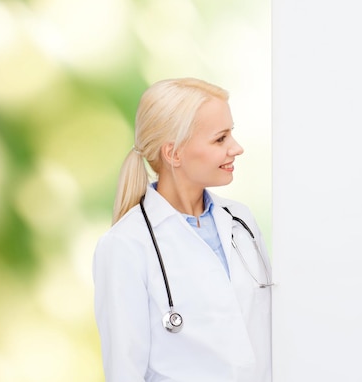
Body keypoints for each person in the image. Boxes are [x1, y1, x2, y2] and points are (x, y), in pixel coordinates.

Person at [92, 77, 273, 382]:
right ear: (173, 153)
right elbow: (125, 370)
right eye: (221, 139)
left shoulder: (241, 222)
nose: (237, 148)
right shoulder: (126, 245)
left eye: (232, 135)